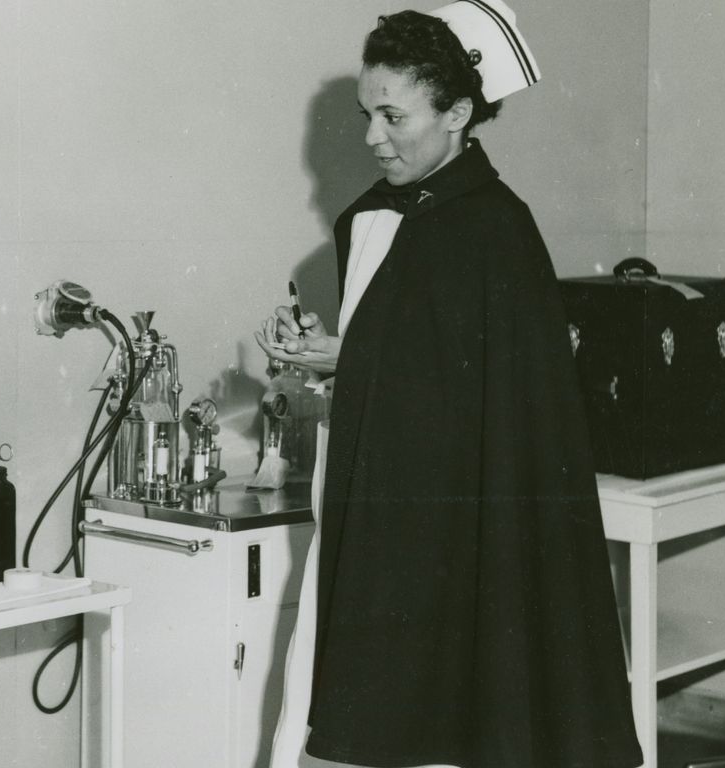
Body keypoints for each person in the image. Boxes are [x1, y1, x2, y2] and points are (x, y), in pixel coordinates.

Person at [256, 3, 644, 767]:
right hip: (370, 508)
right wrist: (339, 352)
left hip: (451, 536)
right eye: (368, 113)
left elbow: (496, 409)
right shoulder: (371, 219)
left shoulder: (496, 232)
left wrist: (359, 360)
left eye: (392, 116)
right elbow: (411, 356)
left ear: (458, 114)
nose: (372, 136)